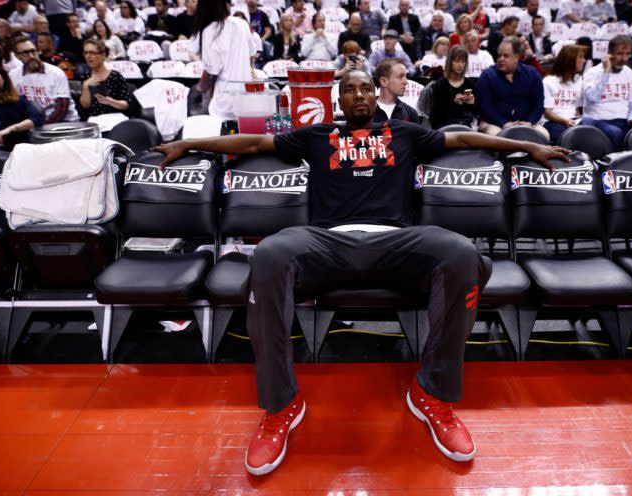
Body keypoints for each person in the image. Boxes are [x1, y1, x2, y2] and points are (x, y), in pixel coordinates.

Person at [152, 68, 569, 477]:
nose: (358, 95)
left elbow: (460, 136)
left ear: (375, 95)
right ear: (340, 100)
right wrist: (190, 142)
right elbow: (258, 142)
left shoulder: (405, 132)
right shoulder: (316, 136)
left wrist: (526, 146)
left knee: (460, 253)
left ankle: (432, 395)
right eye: (349, 90)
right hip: (327, 244)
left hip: (395, 245)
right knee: (270, 255)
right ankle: (281, 406)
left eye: (365, 88)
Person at [191, 0, 255, 122]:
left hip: (224, 103)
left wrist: (198, 89)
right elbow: (251, 55)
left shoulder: (209, 30)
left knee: (223, 139)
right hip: (246, 97)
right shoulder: (243, 24)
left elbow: (211, 72)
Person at [476, 36, 548, 139]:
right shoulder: (487, 76)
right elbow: (485, 107)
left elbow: (538, 104)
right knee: (500, 137)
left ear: (517, 57)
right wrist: (503, 123)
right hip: (494, 124)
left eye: (506, 56)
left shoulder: (532, 74)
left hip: (525, 123)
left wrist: (529, 122)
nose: (501, 59)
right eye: (499, 55)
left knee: (544, 135)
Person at [581, 35, 632, 149]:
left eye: (627, 54)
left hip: (625, 120)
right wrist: (606, 73)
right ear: (609, 54)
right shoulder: (593, 73)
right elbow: (592, 98)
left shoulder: (630, 74)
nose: (624, 59)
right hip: (599, 119)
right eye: (620, 54)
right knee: (616, 133)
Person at [10, 36, 78, 124]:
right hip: (32, 124)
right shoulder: (13, 75)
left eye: (33, 51)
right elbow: (14, 106)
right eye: (25, 53)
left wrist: (42, 128)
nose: (31, 56)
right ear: (17, 56)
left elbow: (62, 107)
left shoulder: (55, 72)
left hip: (64, 122)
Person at [0, 59, 42, 150]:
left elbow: (37, 118)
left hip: (9, 152)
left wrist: (9, 129)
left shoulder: (18, 101)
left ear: (3, 77)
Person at [541, 44, 585, 143]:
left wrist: (576, 120)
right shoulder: (548, 81)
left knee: (590, 128)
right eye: (581, 57)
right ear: (571, 60)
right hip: (553, 122)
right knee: (569, 137)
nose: (584, 60)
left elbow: (577, 108)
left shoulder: (579, 80)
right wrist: (565, 121)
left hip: (573, 120)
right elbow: (547, 113)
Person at [79, 39, 132, 117]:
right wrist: (85, 86)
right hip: (95, 120)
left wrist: (110, 101)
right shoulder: (85, 76)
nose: (88, 56)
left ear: (103, 55)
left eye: (92, 53)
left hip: (116, 118)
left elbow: (126, 105)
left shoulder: (115, 76)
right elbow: (85, 106)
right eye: (85, 53)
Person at [429, 45, 477, 128]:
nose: (460, 65)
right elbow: (435, 117)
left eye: (463, 61)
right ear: (450, 62)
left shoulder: (470, 83)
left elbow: (476, 113)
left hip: (465, 126)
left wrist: (472, 104)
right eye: (457, 61)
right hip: (444, 127)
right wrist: (454, 104)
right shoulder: (440, 84)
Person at [373, 58, 420, 124]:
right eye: (400, 77)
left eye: (406, 76)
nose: (406, 82)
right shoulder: (367, 111)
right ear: (383, 81)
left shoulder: (411, 113)